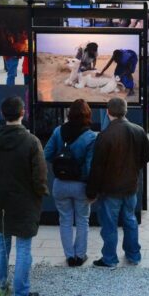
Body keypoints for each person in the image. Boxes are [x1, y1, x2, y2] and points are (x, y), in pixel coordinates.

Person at [0, 96, 48, 296]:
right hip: (26, 202)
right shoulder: (32, 142)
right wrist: (40, 194)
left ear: (2, 115)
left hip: (0, 201)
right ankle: (22, 294)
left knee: (1, 245)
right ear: (23, 113)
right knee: (24, 248)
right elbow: (40, 177)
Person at [86, 97, 149, 268]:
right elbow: (147, 157)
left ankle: (109, 258)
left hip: (110, 190)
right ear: (126, 111)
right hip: (131, 186)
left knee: (109, 225)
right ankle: (133, 255)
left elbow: (97, 167)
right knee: (130, 220)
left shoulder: (105, 136)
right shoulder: (138, 130)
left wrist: (91, 192)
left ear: (108, 112)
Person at [43, 99, 97, 266]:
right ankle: (80, 255)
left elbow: (46, 154)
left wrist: (61, 162)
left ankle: (69, 256)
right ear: (88, 115)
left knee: (65, 219)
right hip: (80, 185)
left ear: (69, 113)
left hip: (60, 183)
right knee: (82, 220)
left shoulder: (59, 131)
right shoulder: (90, 137)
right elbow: (89, 166)